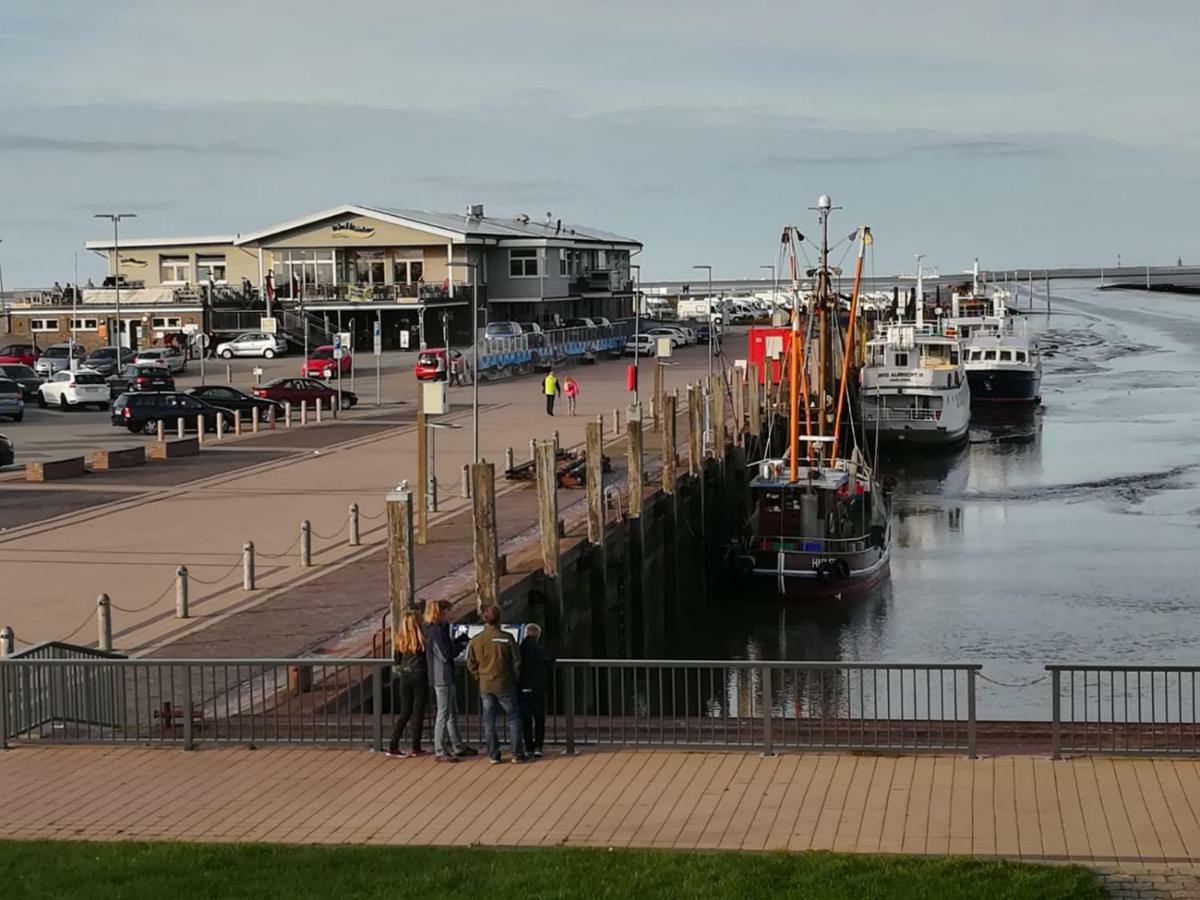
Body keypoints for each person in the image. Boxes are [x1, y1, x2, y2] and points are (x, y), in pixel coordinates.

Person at [466, 604, 527, 764]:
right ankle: (517, 753)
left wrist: (477, 675)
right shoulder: (507, 638)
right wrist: (514, 677)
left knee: (489, 721)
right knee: (513, 718)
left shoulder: (477, 640)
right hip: (504, 683)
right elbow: (516, 661)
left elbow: (470, 662)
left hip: (485, 684)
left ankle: (493, 754)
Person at [422, 599, 477, 762]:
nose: (453, 614)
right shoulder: (436, 632)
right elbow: (445, 655)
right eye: (450, 611)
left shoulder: (440, 629)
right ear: (443, 612)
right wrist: (461, 644)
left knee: (451, 712)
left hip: (446, 674)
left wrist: (457, 642)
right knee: (443, 713)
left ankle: (458, 745)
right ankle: (440, 750)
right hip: (441, 677)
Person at [386, 609, 428, 758]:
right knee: (417, 712)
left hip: (405, 676)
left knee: (405, 712)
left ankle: (393, 744)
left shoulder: (400, 640)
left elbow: (396, 659)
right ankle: (416, 746)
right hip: (420, 675)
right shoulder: (422, 639)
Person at [518, 624, 552, 758]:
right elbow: (549, 657)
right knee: (539, 718)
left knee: (525, 720)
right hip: (537, 689)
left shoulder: (519, 648)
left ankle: (528, 748)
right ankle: (538, 746)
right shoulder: (540, 649)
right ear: (538, 635)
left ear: (525, 634)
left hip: (521, 688)